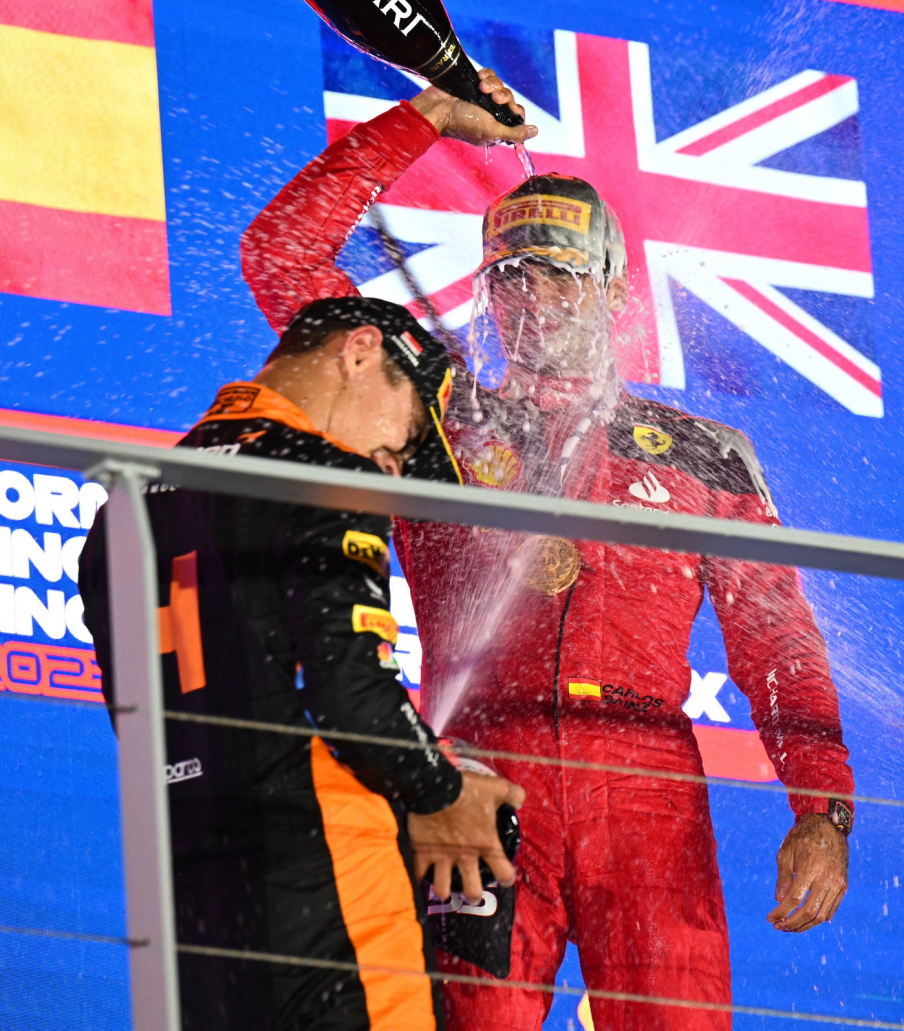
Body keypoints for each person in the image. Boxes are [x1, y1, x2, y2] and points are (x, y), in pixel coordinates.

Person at [240, 72, 855, 1031]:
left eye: (561, 273)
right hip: (477, 775)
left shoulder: (704, 453)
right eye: (511, 274)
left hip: (649, 789)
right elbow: (282, 256)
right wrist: (429, 120)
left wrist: (822, 807)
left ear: (613, 291)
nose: (534, 296)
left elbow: (778, 642)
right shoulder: (440, 414)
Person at [78, 295, 525, 1031]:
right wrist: (444, 794)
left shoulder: (125, 502)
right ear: (359, 351)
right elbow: (350, 688)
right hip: (329, 874)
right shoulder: (322, 470)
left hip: (188, 885)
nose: (395, 463)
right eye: (408, 431)